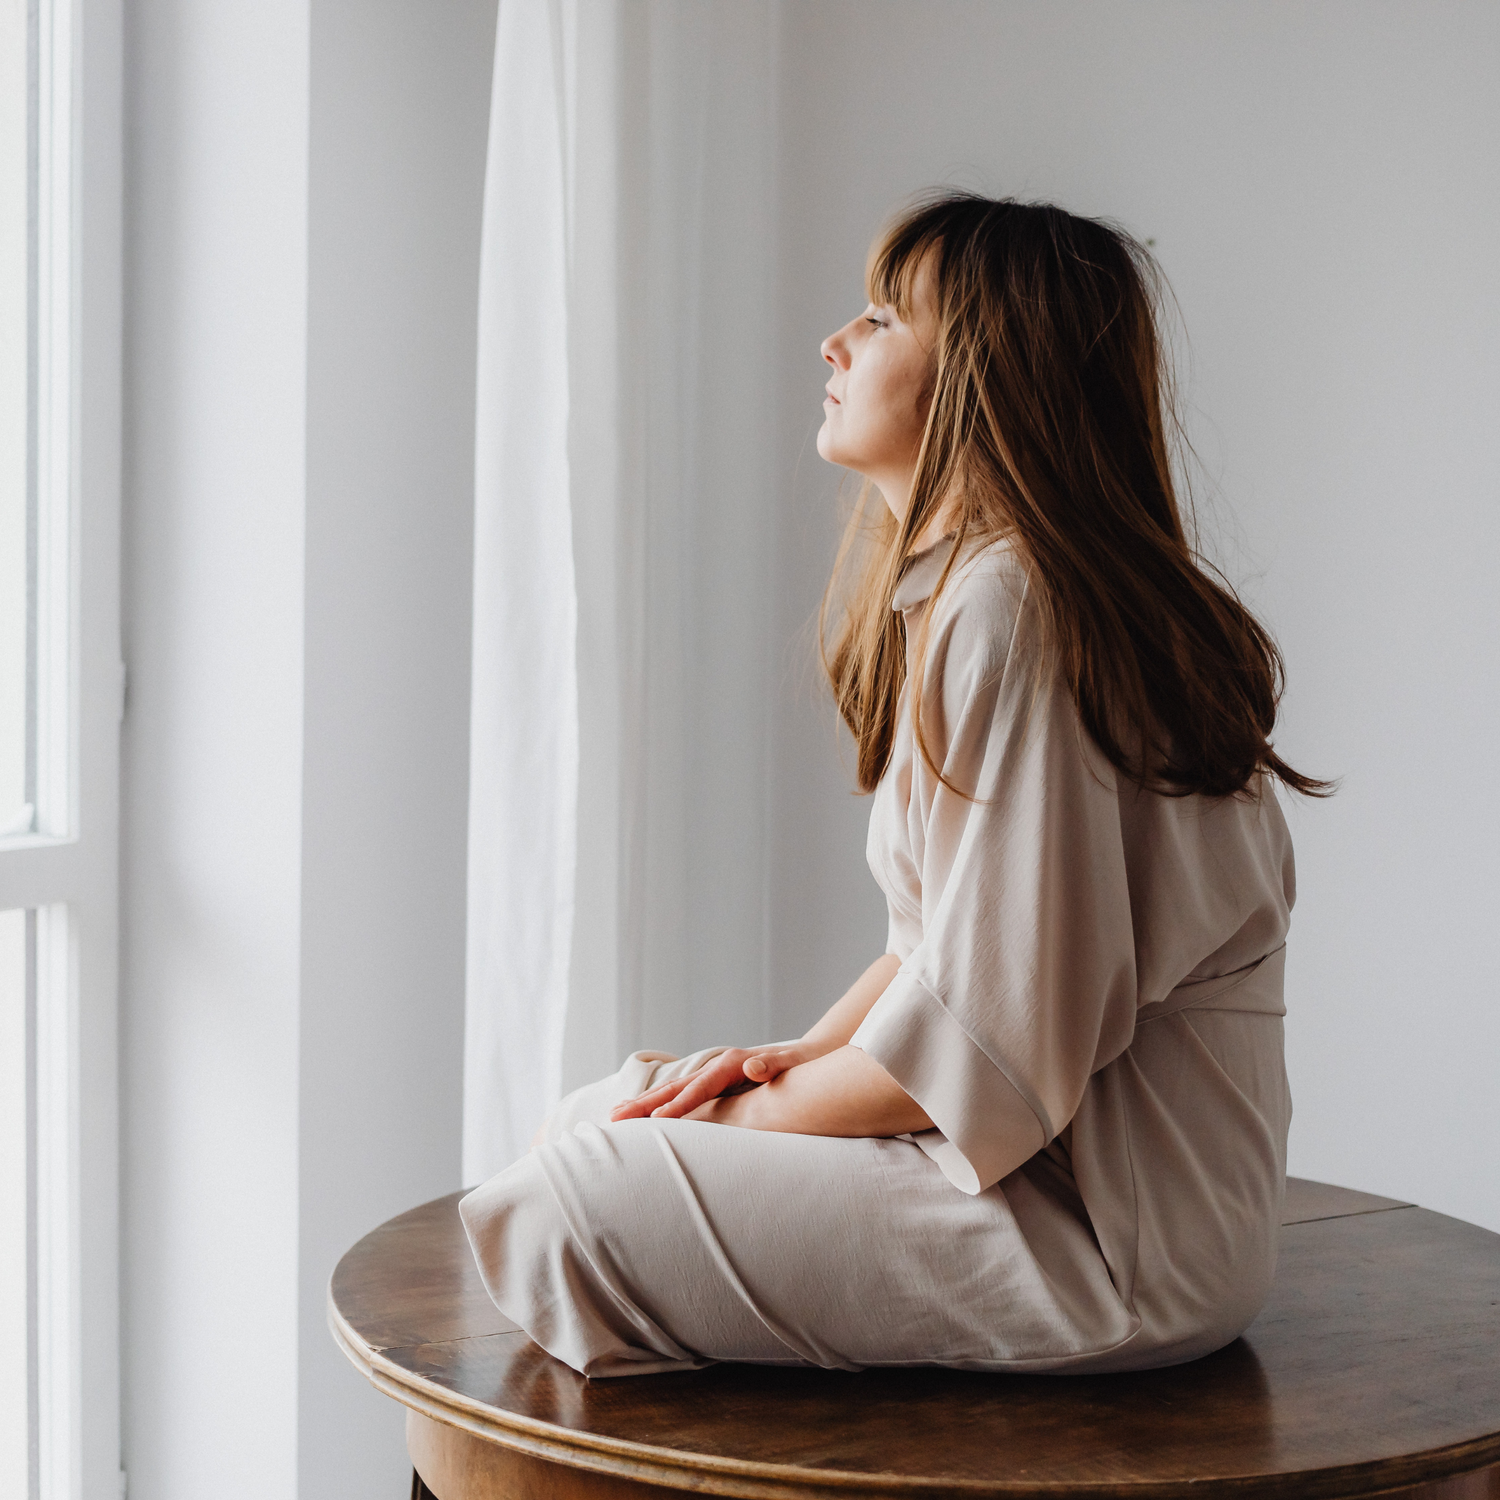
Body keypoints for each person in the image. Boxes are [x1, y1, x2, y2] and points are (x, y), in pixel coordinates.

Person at [460, 191, 1328, 1378]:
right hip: (1041, 1178)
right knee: (600, 1113)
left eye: (878, 317)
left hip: (1112, 1245)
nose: (835, 342)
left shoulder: (1015, 607)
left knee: (574, 1188)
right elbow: (938, 953)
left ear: (980, 374)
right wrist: (773, 1066)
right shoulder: (988, 591)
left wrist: (748, 1113)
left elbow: (990, 1044)